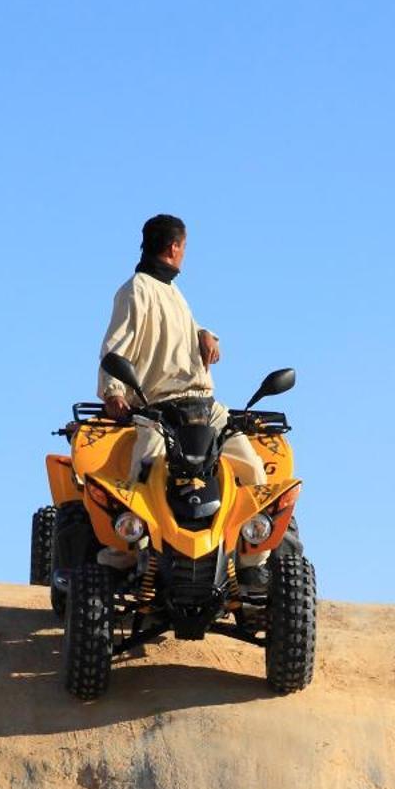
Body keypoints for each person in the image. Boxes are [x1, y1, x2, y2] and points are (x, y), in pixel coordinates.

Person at [98, 215, 273, 584]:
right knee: (141, 476)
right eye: (185, 248)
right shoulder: (135, 290)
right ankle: (123, 555)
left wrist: (206, 333)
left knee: (254, 471)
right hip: (160, 409)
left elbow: (181, 330)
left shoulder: (173, 292)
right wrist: (113, 391)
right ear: (175, 247)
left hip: (206, 409)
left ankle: (251, 563)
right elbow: (114, 347)